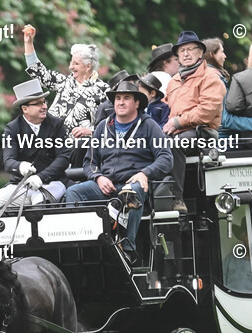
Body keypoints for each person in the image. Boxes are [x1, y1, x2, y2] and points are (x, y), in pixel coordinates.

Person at [64, 80, 173, 263]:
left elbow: (166, 158)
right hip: (106, 185)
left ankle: (127, 247)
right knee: (73, 192)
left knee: (133, 190)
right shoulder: (102, 127)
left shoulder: (149, 125)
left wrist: (144, 173)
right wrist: (98, 178)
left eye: (126, 98)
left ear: (137, 103)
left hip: (132, 186)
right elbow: (89, 163)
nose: (121, 102)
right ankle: (79, 248)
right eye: (118, 98)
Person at [0, 79, 72, 210]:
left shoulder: (56, 124)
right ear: (25, 109)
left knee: (39, 204)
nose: (44, 106)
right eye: (38, 103)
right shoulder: (12, 129)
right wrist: (20, 166)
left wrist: (41, 177)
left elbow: (63, 158)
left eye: (44, 102)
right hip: (22, 185)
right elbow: (8, 162)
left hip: (53, 183)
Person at [163, 31, 227, 212]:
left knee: (175, 143)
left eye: (191, 49)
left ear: (200, 53)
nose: (186, 54)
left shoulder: (211, 77)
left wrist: (177, 122)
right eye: (182, 51)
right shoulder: (173, 81)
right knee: (153, 142)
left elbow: (206, 112)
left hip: (203, 131)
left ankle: (177, 199)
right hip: (177, 130)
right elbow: (166, 108)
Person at [23, 26, 108, 141]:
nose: (70, 67)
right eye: (71, 62)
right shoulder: (63, 81)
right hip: (50, 143)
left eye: (76, 63)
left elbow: (110, 124)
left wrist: (91, 131)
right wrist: (28, 43)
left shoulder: (103, 90)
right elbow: (39, 73)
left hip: (80, 149)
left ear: (88, 66)